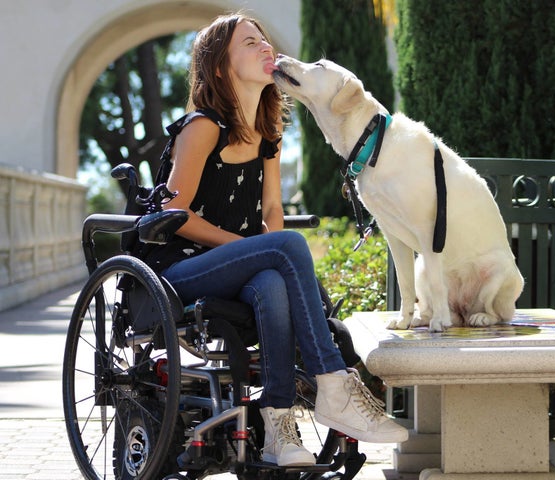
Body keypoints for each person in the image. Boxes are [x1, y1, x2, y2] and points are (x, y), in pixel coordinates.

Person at [145, 12, 408, 467]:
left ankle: (279, 430)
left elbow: (271, 211)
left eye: (263, 40)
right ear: (222, 68)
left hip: (239, 265)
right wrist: (245, 246)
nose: (265, 47)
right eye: (249, 43)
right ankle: (334, 384)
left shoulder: (269, 132)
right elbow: (174, 213)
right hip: (181, 268)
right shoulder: (203, 126)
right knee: (284, 248)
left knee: (272, 280)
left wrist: (268, 259)